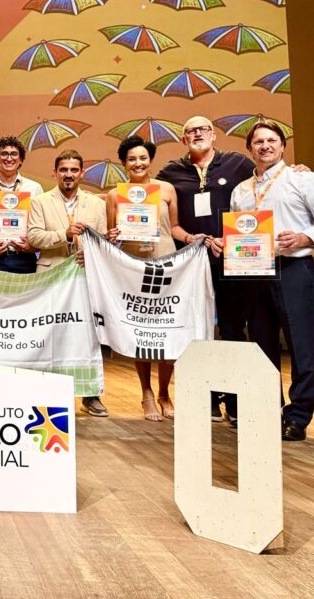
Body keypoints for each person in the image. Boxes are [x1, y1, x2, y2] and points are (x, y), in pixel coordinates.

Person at [214, 120, 314, 442]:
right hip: (254, 273)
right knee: (262, 346)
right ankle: (267, 409)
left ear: (283, 146)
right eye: (258, 141)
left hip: (293, 270)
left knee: (301, 346)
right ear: (250, 149)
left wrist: (305, 237)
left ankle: (297, 417)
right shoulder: (241, 190)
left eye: (272, 140)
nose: (265, 146)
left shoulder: (303, 179)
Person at [156, 115, 256, 424]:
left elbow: (267, 180)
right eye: (190, 131)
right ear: (183, 139)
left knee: (232, 329)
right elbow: (143, 192)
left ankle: (236, 400)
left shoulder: (238, 164)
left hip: (231, 259)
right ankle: (206, 396)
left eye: (203, 129)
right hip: (190, 262)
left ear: (213, 135)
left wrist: (297, 169)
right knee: (194, 330)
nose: (197, 133)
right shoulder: (170, 172)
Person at [105, 135, 198, 421]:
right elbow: (112, 238)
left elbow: (175, 227)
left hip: (166, 265)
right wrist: (112, 236)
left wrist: (191, 239)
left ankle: (164, 393)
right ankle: (146, 393)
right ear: (124, 163)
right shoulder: (114, 195)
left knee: (167, 329)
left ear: (150, 160)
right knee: (141, 331)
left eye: (143, 158)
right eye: (131, 159)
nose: (138, 163)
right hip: (134, 267)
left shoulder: (166, 189)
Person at [28, 149, 110, 418]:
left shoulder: (96, 203)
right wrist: (64, 233)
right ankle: (48, 392)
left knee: (87, 335)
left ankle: (91, 394)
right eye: (63, 169)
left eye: (74, 170)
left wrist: (99, 247)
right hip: (52, 276)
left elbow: (101, 240)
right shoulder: (40, 201)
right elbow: (34, 237)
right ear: (55, 173)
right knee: (51, 334)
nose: (68, 174)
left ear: (82, 173)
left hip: (85, 276)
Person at [0, 135, 44, 274]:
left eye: (14, 154)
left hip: (25, 258)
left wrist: (33, 247)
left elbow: (42, 225)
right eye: (4, 154)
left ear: (20, 160)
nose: (9, 158)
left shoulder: (34, 188)